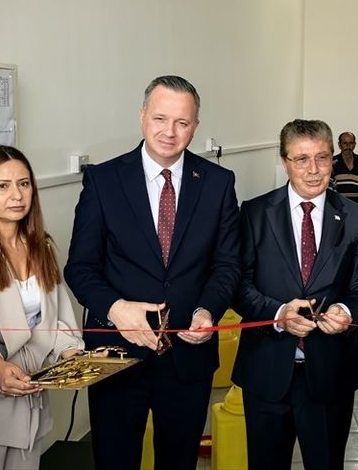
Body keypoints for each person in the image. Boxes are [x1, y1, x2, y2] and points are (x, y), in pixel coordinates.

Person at [64, 76, 240, 470]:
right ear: (143, 116)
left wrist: (207, 310)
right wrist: (116, 309)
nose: (170, 132)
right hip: (116, 355)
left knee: (179, 461)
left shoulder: (218, 183)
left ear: (196, 126)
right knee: (115, 460)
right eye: (160, 118)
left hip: (187, 359)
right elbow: (80, 267)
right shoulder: (104, 180)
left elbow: (228, 265)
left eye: (182, 122)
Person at [232, 119, 358, 470]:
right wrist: (278, 314)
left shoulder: (357, 217)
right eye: (301, 159)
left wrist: (346, 311)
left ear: (332, 159)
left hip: (331, 374)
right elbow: (238, 285)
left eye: (322, 158)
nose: (313, 170)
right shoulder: (254, 213)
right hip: (266, 373)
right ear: (285, 161)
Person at [0, 145, 84, 469]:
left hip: (34, 396)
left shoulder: (42, 246)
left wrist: (75, 357)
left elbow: (57, 320)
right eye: (3, 186)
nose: (17, 195)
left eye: (24, 184)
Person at [331, 131, 358, 208]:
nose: (348, 146)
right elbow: (330, 189)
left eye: (351, 143)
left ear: (354, 145)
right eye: (345, 143)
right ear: (339, 145)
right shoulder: (333, 162)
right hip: (341, 207)